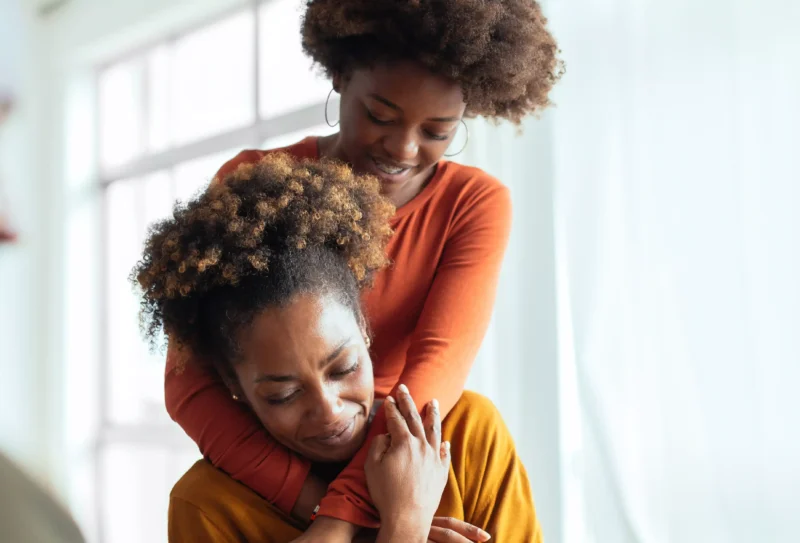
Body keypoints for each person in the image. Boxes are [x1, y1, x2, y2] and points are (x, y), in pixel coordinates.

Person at [164, 0, 563, 537]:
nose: (402, 148)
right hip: (277, 464)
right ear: (340, 74)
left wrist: (345, 515)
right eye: (380, 115)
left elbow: (436, 368)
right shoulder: (253, 182)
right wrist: (326, 511)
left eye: (439, 131)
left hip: (401, 454)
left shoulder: (473, 205)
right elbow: (190, 385)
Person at [134, 153, 541, 541]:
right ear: (233, 384)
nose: (328, 409)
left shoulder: (466, 437)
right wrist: (403, 530)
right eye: (284, 394)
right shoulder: (210, 507)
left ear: (365, 330)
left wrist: (377, 520)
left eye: (343, 368)